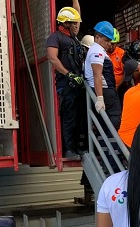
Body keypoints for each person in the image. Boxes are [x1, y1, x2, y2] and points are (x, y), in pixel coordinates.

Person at [45, 0, 83, 160]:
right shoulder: (55, 37)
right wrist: (69, 75)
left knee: (79, 116)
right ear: (66, 23)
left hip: (78, 83)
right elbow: (52, 58)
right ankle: (69, 150)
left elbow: (77, 13)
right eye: (74, 23)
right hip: (66, 84)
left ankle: (77, 147)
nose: (77, 25)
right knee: (69, 117)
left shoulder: (73, 37)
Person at [85, 21, 121, 130]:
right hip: (105, 91)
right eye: (106, 40)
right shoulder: (97, 52)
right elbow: (97, 75)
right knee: (114, 119)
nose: (109, 43)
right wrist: (100, 98)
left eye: (110, 41)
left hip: (106, 90)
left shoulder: (98, 50)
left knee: (108, 122)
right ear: (97, 38)